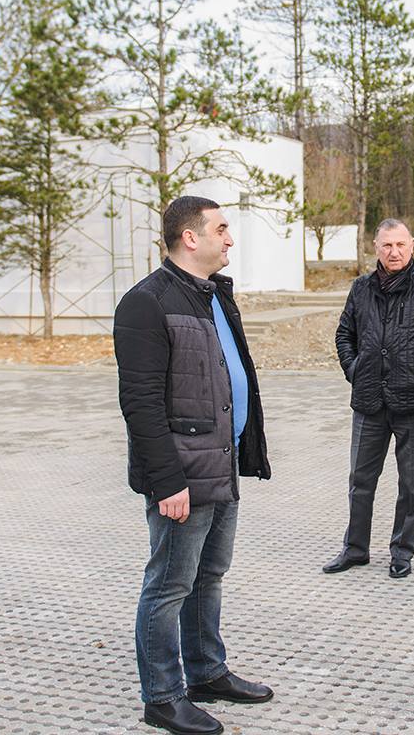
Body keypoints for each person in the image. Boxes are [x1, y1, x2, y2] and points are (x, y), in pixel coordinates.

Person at [114, 196, 273, 735]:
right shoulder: (147, 303)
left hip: (220, 465)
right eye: (221, 229)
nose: (230, 239)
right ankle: (162, 697)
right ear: (190, 237)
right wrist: (168, 481)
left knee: (209, 576)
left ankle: (206, 672)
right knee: (168, 585)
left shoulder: (213, 295)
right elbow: (140, 404)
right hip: (182, 475)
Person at [323, 219, 414, 579]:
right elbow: (344, 334)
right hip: (369, 399)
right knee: (360, 480)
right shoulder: (361, 288)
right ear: (376, 247)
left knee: (411, 484)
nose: (394, 252)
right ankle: (355, 549)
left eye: (400, 244)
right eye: (387, 245)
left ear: (412, 245)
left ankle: (402, 551)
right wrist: (354, 369)